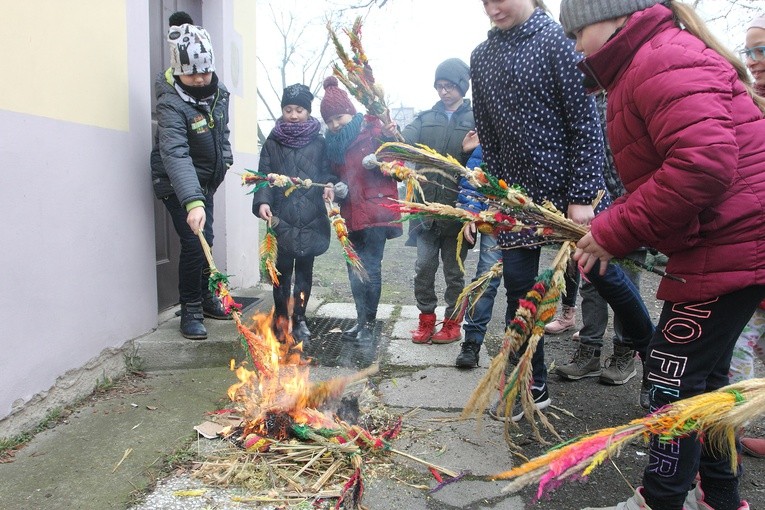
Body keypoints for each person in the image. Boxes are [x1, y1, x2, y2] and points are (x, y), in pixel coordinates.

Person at [560, 1, 765, 509]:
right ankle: (718, 496)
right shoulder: (650, 60)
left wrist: (617, 230)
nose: (575, 46)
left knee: (670, 377)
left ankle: (661, 498)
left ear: (611, 17)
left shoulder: (659, 59)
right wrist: (611, 226)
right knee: (708, 381)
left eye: (576, 31)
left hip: (729, 244)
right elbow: (671, 170)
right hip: (729, 244)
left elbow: (702, 164)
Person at [458, 0, 655, 425]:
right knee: (519, 289)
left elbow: (586, 123)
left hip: (568, 194)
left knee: (604, 276)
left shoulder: (558, 41)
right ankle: (531, 384)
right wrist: (495, 193)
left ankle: (655, 362)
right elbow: (488, 131)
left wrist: (583, 194)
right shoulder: (482, 56)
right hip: (516, 197)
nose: (492, 7)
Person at [555, 93, 647, 391]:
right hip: (594, 207)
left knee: (627, 283)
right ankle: (590, 350)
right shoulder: (586, 100)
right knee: (592, 281)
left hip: (634, 203)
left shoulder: (631, 94)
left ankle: (624, 352)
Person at [150, 22, 232, 340]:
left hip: (204, 183)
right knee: (193, 243)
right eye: (191, 72)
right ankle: (191, 308)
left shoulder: (218, 94)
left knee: (205, 240)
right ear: (179, 71)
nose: (199, 78)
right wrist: (193, 201)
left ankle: (208, 298)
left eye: (205, 71)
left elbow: (222, 134)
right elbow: (175, 154)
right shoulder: (171, 103)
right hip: (176, 183)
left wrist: (225, 161)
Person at [320, 76, 402, 348]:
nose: (334, 125)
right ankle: (359, 320)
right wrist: (334, 184)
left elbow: (398, 162)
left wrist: (379, 162)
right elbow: (330, 172)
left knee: (372, 269)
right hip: (351, 211)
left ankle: (369, 324)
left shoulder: (374, 128)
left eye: (339, 118)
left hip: (377, 211)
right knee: (354, 269)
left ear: (351, 112)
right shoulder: (332, 144)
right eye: (329, 121)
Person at [252, 84, 335, 348]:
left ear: (308, 112)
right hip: (281, 217)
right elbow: (263, 176)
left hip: (311, 215)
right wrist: (262, 201)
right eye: (288, 109)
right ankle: (280, 319)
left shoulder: (319, 142)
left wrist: (330, 186)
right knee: (281, 273)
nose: (294, 114)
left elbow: (327, 173)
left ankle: (299, 318)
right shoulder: (273, 141)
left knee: (304, 274)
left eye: (299, 110)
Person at [401, 58, 476, 345]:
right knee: (423, 268)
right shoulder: (425, 118)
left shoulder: (475, 119)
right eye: (439, 86)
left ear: (461, 86)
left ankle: (453, 323)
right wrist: (390, 131)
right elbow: (403, 141)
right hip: (425, 213)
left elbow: (483, 159)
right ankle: (426, 320)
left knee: (454, 272)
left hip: (457, 212)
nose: (444, 92)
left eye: (449, 86)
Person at [728, 12, 765, 460]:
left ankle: (723, 447)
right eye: (750, 51)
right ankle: (726, 440)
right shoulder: (750, 102)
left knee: (740, 348)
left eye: (763, 50)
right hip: (751, 256)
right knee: (743, 347)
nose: (754, 61)